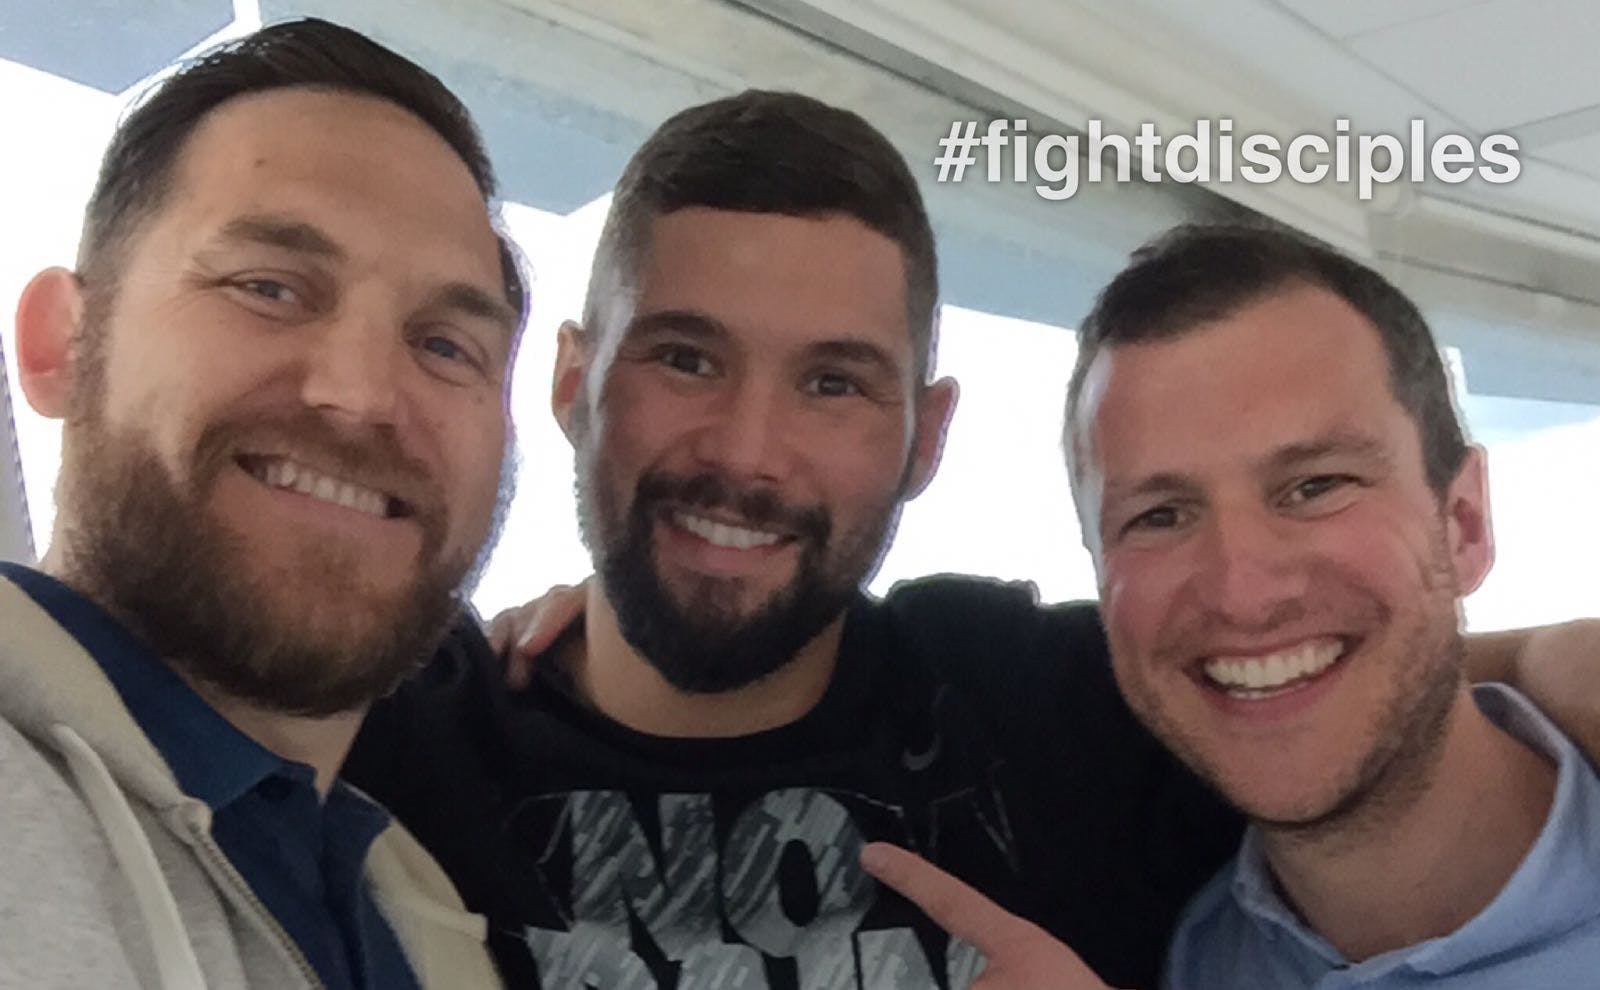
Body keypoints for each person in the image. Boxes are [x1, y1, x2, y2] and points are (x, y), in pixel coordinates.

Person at [346, 93, 1597, 990]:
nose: (748, 451)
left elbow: (1338, 674)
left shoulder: (1047, 704)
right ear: (574, 380)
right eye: (684, 358)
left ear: (926, 437)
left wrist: (1554, 661)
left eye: (834, 382)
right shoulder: (376, 732)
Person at [863, 223, 1600, 989]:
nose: (1242, 594)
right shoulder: (1194, 945)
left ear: (1465, 525)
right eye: (1160, 517)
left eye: (1315, 487)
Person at [1, 19, 523, 989]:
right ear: (59, 346)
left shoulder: (419, 916)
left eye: (446, 346)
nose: (361, 394)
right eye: (271, 288)